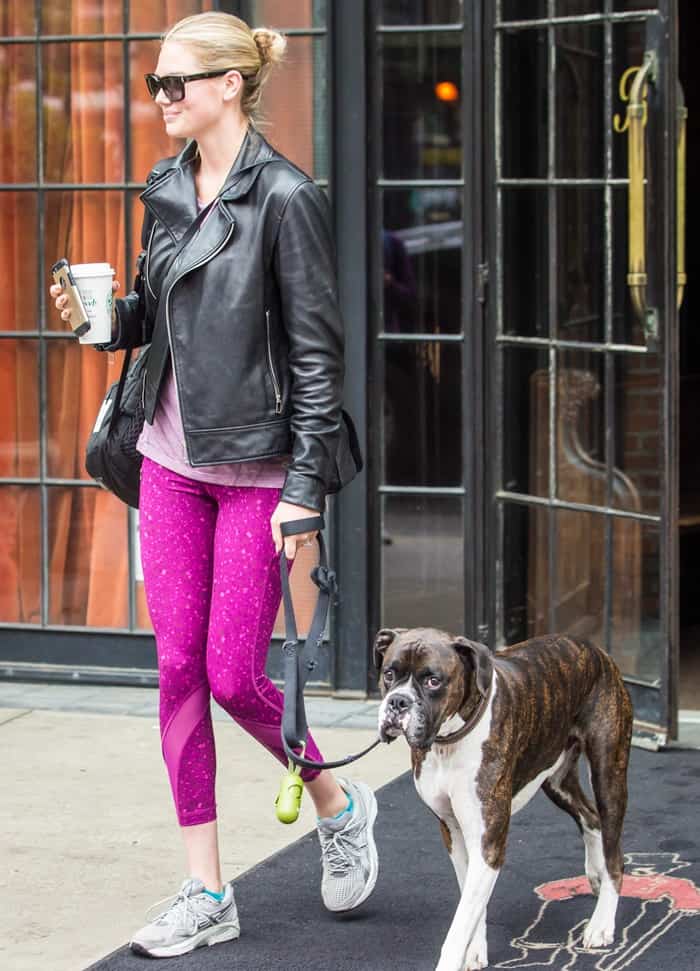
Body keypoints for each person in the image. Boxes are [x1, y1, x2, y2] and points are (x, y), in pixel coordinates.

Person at [49, 11, 377, 960]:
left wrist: (305, 488)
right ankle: (206, 886)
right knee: (179, 671)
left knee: (234, 672)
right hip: (168, 463)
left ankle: (335, 795)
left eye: (175, 83)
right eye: (156, 84)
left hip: (257, 472)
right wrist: (106, 318)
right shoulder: (164, 188)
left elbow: (318, 359)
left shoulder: (286, 197)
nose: (161, 99)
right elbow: (159, 311)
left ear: (230, 84)